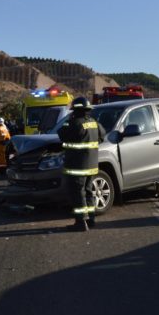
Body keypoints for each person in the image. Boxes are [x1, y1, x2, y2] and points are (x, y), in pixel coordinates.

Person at [58, 96, 104, 232]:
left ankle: (80, 222)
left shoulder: (73, 123)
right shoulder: (95, 123)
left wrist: (68, 120)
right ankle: (91, 219)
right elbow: (102, 137)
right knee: (89, 192)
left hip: (77, 167)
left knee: (78, 194)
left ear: (75, 110)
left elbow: (62, 134)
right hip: (92, 165)